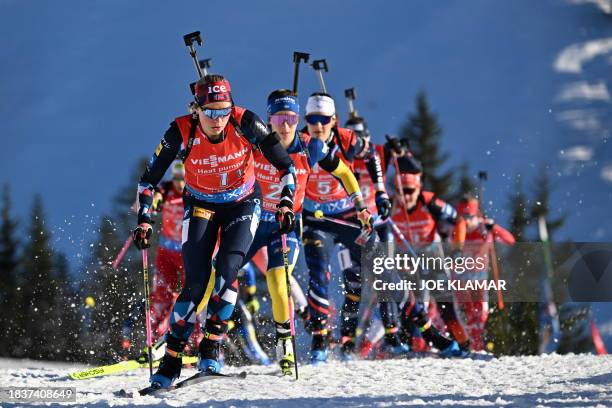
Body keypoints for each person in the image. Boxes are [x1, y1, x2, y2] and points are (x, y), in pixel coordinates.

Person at [133, 74, 297, 388]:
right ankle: (170, 362)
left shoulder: (245, 122)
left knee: (227, 268)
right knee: (195, 284)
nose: (218, 119)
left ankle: (212, 346)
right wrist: (144, 219)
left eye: (224, 111)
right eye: (210, 112)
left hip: (243, 205)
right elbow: (148, 180)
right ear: (197, 109)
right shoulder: (180, 131)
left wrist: (286, 203)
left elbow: (285, 165)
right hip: (200, 207)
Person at [243, 89, 371, 374]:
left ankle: (293, 347)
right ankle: (192, 344)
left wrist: (361, 203)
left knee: (284, 281)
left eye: (290, 118)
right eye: (279, 118)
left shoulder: (314, 146)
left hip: (299, 223)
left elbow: (350, 169)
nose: (285, 124)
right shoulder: (260, 142)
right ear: (270, 119)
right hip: (261, 221)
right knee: (221, 273)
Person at [301, 92, 374, 364]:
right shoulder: (300, 141)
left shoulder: (348, 140)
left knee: (353, 278)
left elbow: (374, 156)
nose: (317, 125)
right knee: (319, 272)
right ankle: (319, 339)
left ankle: (346, 340)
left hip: (345, 218)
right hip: (314, 219)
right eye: (312, 119)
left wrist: (379, 193)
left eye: (323, 120)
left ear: (334, 120)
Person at [344, 115, 409, 355]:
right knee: (353, 286)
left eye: (361, 137)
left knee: (386, 282)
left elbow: (405, 161)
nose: (357, 142)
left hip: (379, 226)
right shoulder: (341, 152)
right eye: (353, 137)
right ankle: (346, 341)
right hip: (351, 227)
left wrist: (399, 150)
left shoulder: (376, 152)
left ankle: (390, 338)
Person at [390, 158, 468, 356]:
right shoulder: (390, 206)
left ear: (418, 188)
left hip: (432, 258)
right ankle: (410, 347)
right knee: (409, 307)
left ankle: (464, 345)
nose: (404, 197)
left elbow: (459, 221)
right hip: (406, 262)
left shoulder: (429, 201)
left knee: (446, 307)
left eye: (409, 191)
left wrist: (457, 248)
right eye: (400, 191)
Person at [455, 195, 515, 351]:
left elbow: (510, 240)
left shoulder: (484, 228)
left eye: (469, 216)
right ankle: (470, 347)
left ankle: (477, 346)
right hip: (461, 281)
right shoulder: (457, 231)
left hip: (480, 280)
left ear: (477, 215)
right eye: (462, 217)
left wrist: (494, 228)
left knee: (481, 315)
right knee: (468, 315)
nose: (466, 221)